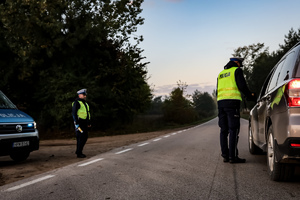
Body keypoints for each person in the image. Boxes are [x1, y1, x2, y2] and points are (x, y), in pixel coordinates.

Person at [216, 57, 256, 163]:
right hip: (232, 103)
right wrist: (250, 95)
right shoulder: (236, 70)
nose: (240, 66)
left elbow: (217, 91)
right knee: (233, 129)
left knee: (223, 130)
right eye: (240, 64)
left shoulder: (221, 74)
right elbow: (242, 86)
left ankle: (225, 155)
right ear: (237, 63)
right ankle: (232, 157)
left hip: (221, 104)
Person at [72, 89, 91, 158]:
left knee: (85, 137)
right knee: (81, 137)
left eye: (85, 95)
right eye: (84, 95)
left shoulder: (84, 103)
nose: (85, 96)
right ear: (80, 95)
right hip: (79, 123)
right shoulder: (77, 102)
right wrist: (76, 123)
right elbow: (74, 113)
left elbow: (87, 113)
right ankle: (79, 153)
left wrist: (88, 122)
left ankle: (79, 151)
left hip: (84, 123)